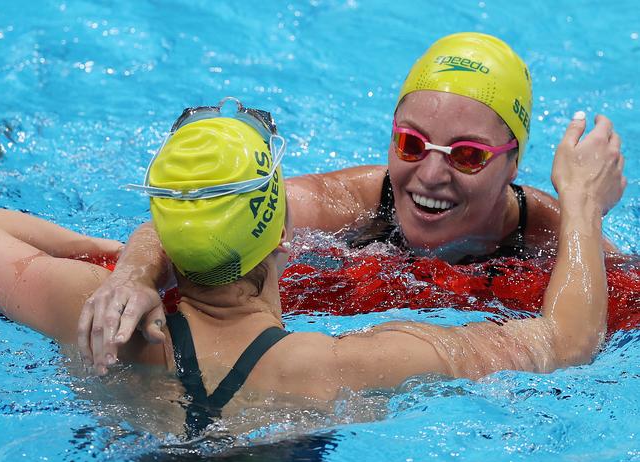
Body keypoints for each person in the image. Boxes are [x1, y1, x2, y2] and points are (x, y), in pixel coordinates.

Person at [0, 98, 625, 438]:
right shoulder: (338, 367)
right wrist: (582, 204)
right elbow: (566, 340)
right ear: (283, 240)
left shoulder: (84, 311)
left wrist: (127, 269)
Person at [81, 33, 623, 368]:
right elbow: (212, 209)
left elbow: (581, 338)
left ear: (513, 164)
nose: (430, 175)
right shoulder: (348, 202)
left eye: (467, 155)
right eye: (410, 144)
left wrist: (582, 206)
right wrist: (133, 274)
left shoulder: (559, 237)